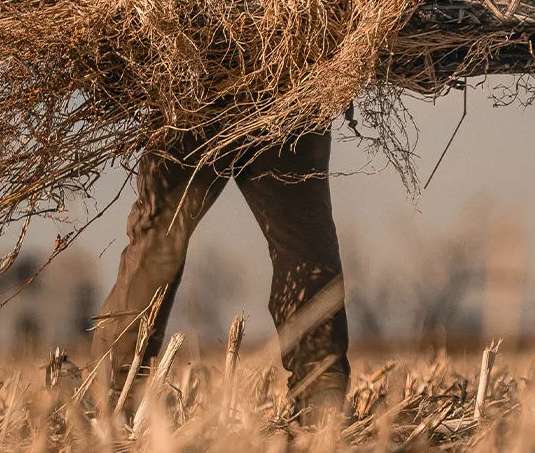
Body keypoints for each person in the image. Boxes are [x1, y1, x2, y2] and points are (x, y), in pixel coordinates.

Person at [91, 128, 350, 420]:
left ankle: (323, 404)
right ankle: (115, 397)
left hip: (271, 102)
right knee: (159, 243)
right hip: (212, 101)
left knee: (304, 247)